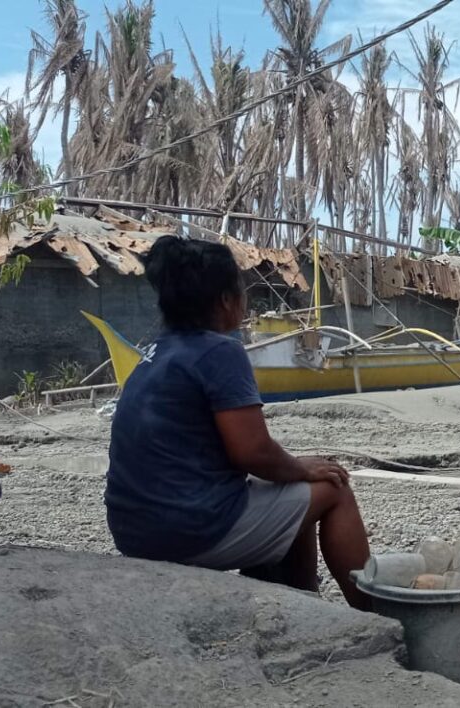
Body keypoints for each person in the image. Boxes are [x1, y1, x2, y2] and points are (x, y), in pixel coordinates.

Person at [105, 236, 371, 610]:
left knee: (290, 490)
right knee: (333, 488)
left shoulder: (159, 351)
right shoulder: (220, 351)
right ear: (227, 301)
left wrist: (294, 472)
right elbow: (253, 452)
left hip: (134, 530)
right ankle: (372, 612)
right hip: (187, 531)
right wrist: (301, 468)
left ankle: (299, 605)